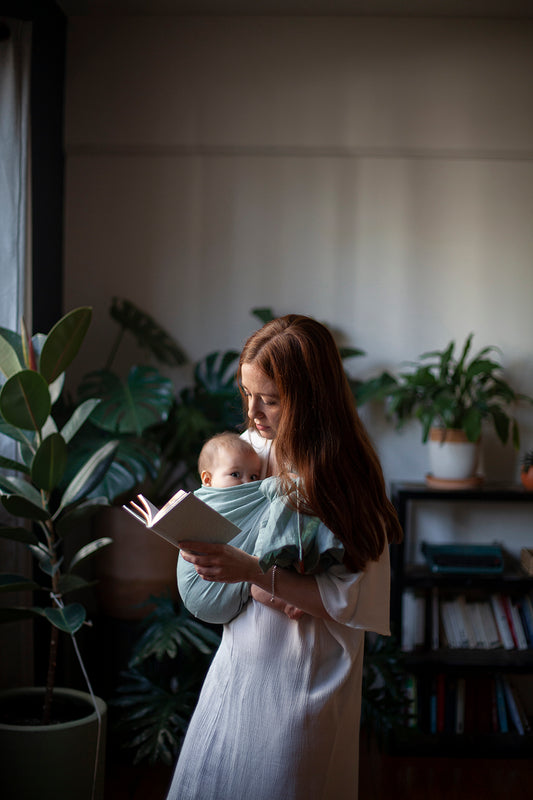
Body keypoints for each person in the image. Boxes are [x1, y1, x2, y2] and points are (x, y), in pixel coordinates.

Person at [167, 314, 403, 800]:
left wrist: (255, 573)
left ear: (311, 398)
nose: (253, 413)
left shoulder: (343, 475)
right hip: (241, 663)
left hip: (303, 677)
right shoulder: (250, 452)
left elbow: (350, 598)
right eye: (246, 394)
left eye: (270, 400)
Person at [198, 431, 262, 487]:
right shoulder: (199, 498)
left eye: (253, 477)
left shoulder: (254, 495)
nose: (248, 482)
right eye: (235, 475)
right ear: (208, 480)